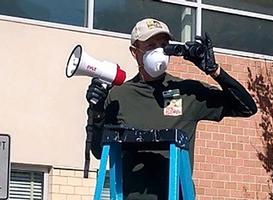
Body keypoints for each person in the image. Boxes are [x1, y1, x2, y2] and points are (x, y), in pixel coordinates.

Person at [86, 18, 257, 200]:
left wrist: (214, 70)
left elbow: (246, 107)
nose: (159, 51)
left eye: (164, 45)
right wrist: (96, 111)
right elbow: (99, 150)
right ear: (134, 52)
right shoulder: (120, 95)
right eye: (151, 45)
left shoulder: (187, 91)